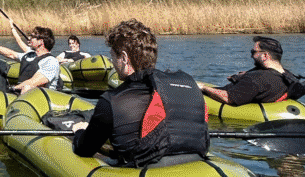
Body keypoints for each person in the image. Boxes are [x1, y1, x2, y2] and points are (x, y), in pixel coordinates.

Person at [70, 19, 208, 166]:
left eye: (112, 57)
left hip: (145, 176)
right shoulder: (187, 87)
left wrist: (79, 132)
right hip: (194, 163)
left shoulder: (111, 100)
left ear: (123, 58)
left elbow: (83, 150)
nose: (112, 62)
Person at [199, 36, 300, 106]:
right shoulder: (287, 76)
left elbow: (229, 98)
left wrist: (204, 88)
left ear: (265, 56)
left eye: (253, 52)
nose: (251, 55)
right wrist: (245, 76)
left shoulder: (257, 78)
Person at [0, 23, 60, 94]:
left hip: (35, 97)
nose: (29, 38)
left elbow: (32, 82)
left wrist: (12, 88)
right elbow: (11, 54)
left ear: (41, 42)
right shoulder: (29, 55)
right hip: (19, 91)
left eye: (32, 36)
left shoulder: (50, 61)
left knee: (27, 87)